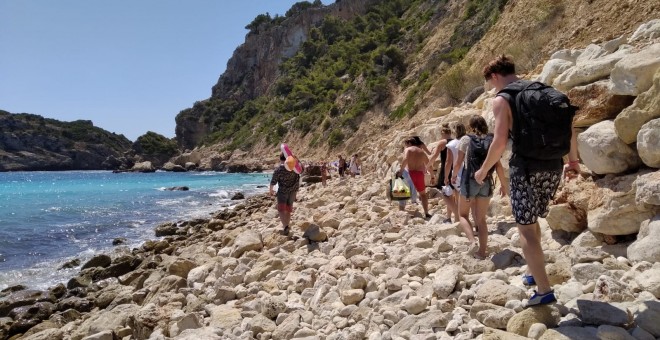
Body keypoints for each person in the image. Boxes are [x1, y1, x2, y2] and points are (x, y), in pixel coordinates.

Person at [474, 55, 580, 307]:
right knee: (532, 221)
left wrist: (483, 171)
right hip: (553, 165)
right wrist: (573, 162)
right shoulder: (544, 90)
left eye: (489, 82)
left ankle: (544, 291)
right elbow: (569, 129)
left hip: (525, 168)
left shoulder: (503, 99)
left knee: (525, 226)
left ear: (495, 76)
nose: (491, 87)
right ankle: (534, 271)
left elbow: (499, 142)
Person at [451, 115, 509, 260]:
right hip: (487, 181)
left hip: (469, 181)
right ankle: (482, 252)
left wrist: (452, 176)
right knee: (481, 219)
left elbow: (458, 163)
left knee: (463, 215)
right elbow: (498, 165)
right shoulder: (491, 140)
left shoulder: (466, 139)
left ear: (471, 126)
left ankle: (472, 242)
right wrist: (503, 184)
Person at [269, 153, 304, 235]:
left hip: (283, 192)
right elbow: (302, 170)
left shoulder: (279, 169)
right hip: (293, 191)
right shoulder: (294, 167)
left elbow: (273, 181)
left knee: (281, 209)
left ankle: (285, 226)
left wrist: (271, 190)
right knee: (288, 209)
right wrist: (297, 159)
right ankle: (287, 225)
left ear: (280, 159)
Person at [428, 124, 456, 223]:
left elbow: (434, 156)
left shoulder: (442, 142)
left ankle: (456, 214)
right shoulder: (455, 141)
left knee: (446, 194)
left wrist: (428, 165)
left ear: (442, 133)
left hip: (446, 169)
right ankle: (449, 217)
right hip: (456, 169)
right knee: (452, 194)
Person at [399, 137, 432, 218]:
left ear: (410, 143)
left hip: (410, 174)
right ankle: (426, 212)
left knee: (402, 193)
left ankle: (401, 212)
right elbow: (429, 165)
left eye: (406, 145)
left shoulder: (408, 150)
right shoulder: (421, 152)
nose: (406, 147)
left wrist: (401, 171)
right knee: (423, 194)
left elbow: (405, 159)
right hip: (419, 174)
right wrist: (433, 176)